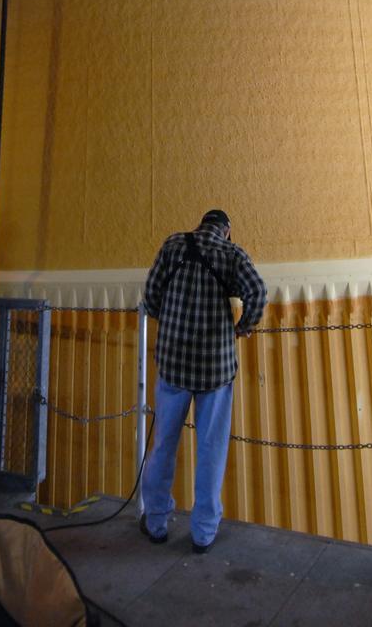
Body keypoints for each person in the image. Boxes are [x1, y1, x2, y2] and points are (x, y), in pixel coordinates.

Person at [141, 208, 267, 553]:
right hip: (215, 368)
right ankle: (203, 532)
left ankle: (155, 522)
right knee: (212, 449)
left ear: (200, 224)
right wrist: (242, 326)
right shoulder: (232, 253)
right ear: (226, 230)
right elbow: (258, 292)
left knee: (163, 444)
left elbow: (150, 296)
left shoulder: (173, 245)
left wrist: (167, 318)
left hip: (173, 364)